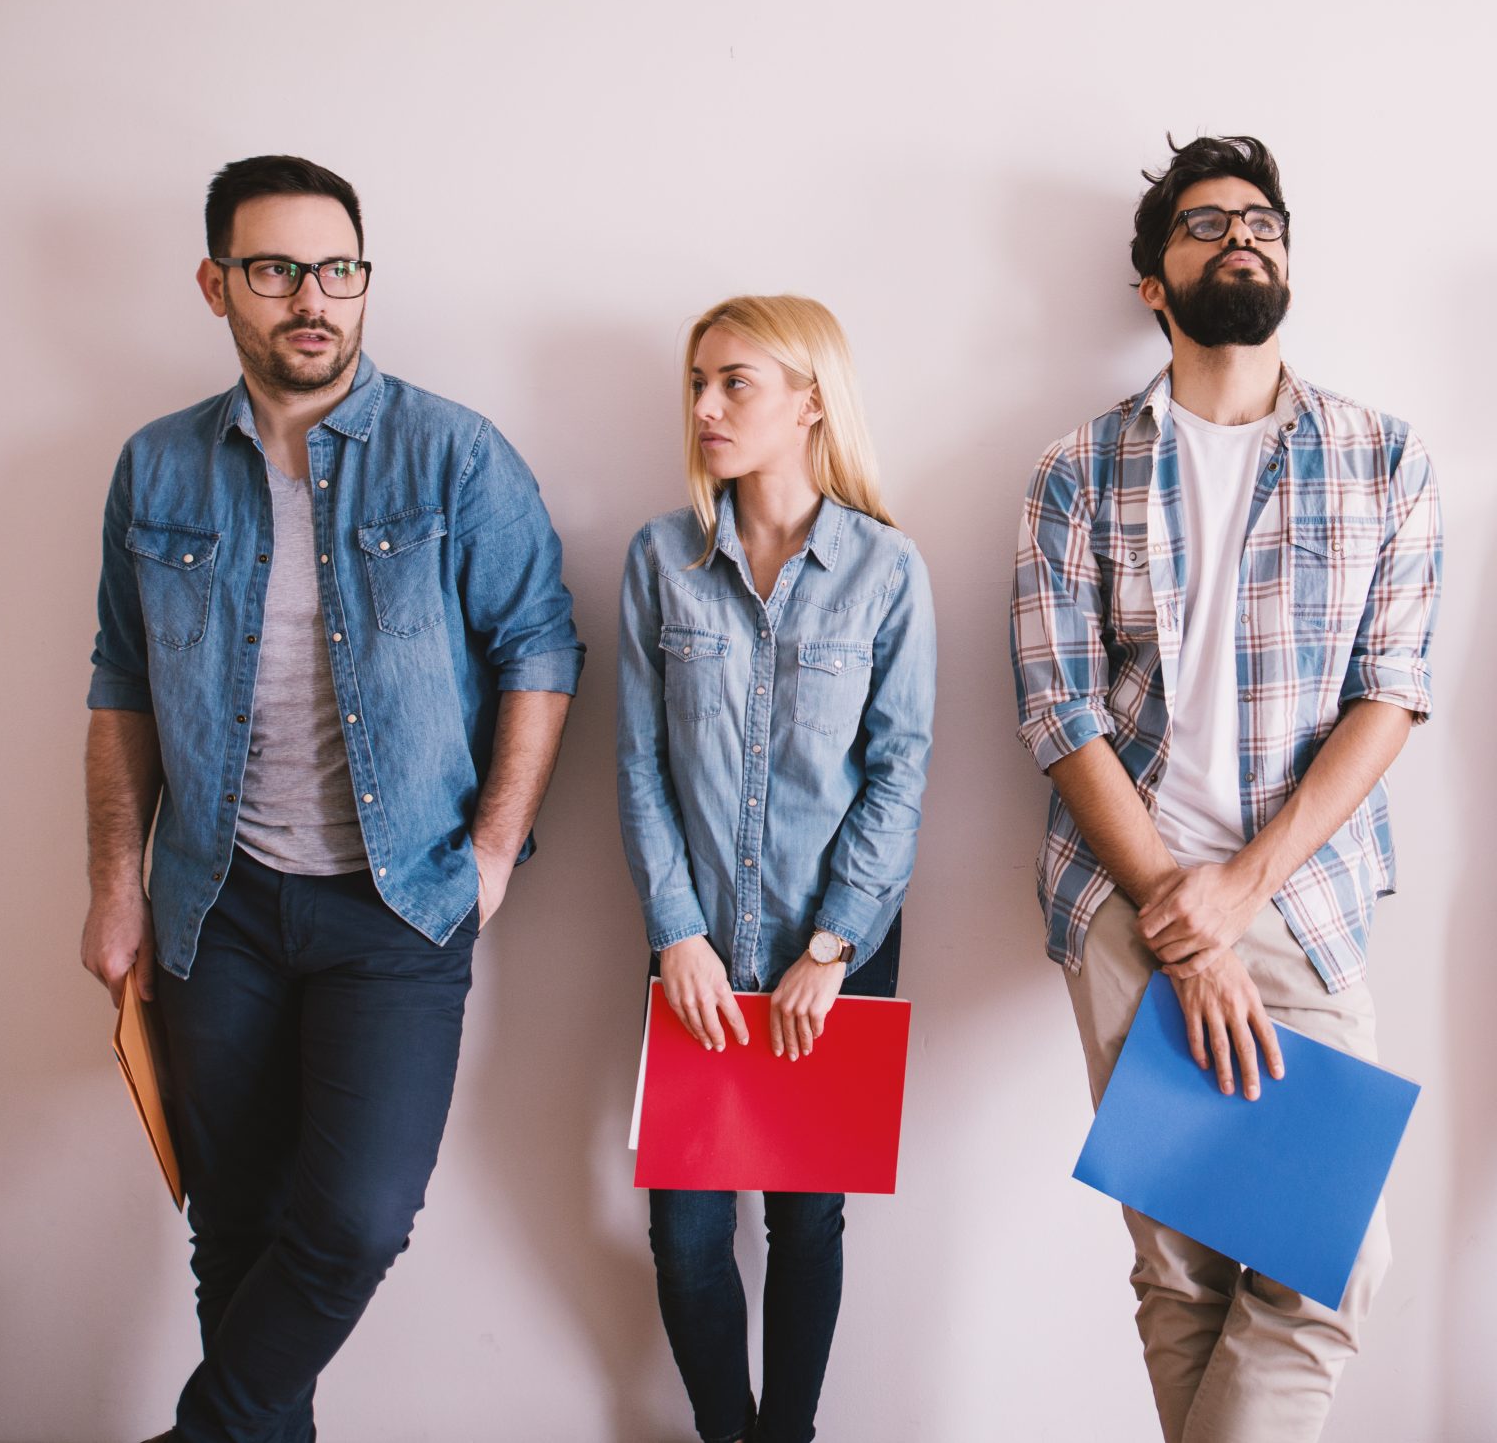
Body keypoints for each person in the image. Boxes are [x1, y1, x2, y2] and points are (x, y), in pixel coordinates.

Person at [79, 155, 583, 1443]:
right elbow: (121, 682)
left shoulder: (454, 453)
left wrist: (492, 851)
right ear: (217, 285)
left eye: (339, 269)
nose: (314, 297)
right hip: (215, 903)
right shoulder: (156, 469)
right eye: (275, 268)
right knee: (234, 1225)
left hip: (399, 902)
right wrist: (114, 887)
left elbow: (539, 643)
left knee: (356, 1218)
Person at [1009, 136, 1443, 1443]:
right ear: (1154, 282)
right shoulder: (1074, 469)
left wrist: (1237, 893)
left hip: (1299, 900)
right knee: (1185, 1268)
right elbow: (1058, 710)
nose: (1239, 238)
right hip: (1123, 903)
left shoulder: (1382, 456)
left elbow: (1393, 693)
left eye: (1260, 219)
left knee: (1325, 1265)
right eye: (1202, 225)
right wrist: (1171, 911)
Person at [617, 294, 936, 1443]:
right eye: (696, 380)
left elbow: (901, 773)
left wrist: (831, 946)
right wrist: (676, 931)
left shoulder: (888, 570)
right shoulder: (662, 558)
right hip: (694, 948)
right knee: (686, 1232)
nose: (703, 406)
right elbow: (640, 765)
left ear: (810, 398)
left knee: (809, 1220)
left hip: (831, 953)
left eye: (733, 381)